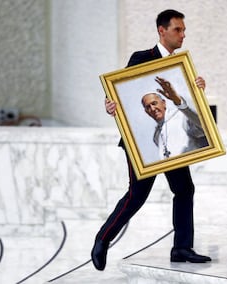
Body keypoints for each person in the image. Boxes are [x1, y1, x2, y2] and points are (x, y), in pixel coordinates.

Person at [91, 9, 211, 271]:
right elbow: (121, 91)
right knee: (137, 195)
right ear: (162, 30)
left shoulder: (181, 66)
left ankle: (181, 248)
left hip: (174, 142)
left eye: (183, 29)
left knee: (184, 189)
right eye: (178, 29)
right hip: (143, 143)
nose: (183, 34)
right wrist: (110, 104)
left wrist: (197, 87)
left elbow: (187, 107)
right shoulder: (142, 58)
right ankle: (103, 239)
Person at [141, 76, 208, 161]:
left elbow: (205, 127)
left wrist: (178, 101)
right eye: (148, 107)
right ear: (146, 111)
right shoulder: (156, 136)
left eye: (154, 103)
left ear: (164, 103)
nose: (152, 109)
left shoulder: (182, 117)